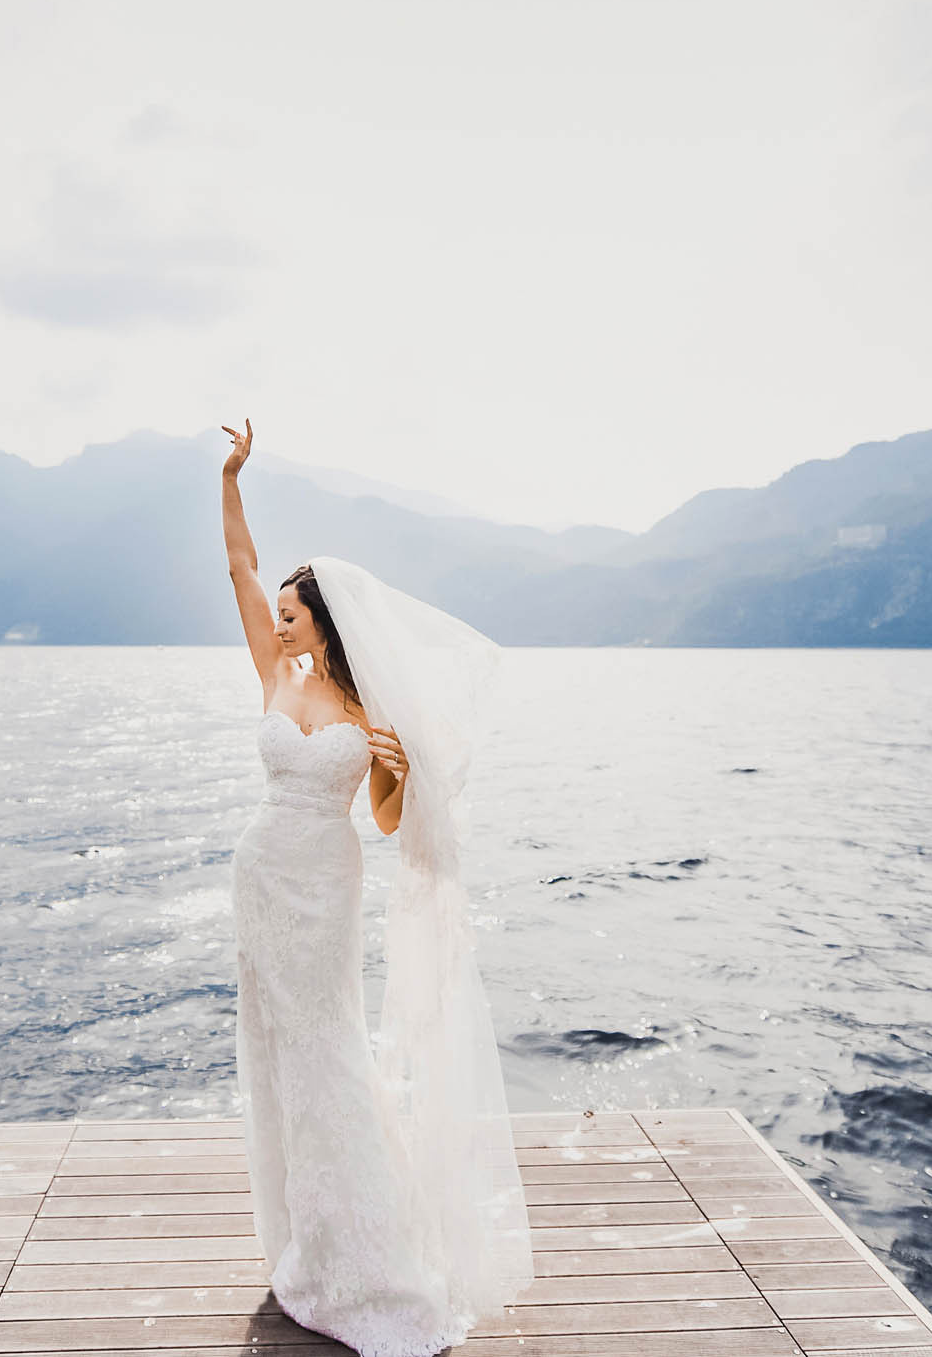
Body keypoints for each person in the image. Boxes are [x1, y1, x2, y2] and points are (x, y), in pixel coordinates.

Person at [219, 418, 532, 1357]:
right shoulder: (275, 674)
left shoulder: (369, 708)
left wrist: (393, 770)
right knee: (280, 1057)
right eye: (275, 613)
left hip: (329, 883)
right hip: (263, 876)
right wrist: (229, 479)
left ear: (325, 619)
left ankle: (372, 1261)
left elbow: (392, 822)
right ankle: (308, 1243)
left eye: (290, 612)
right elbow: (237, 566)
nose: (277, 620)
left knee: (333, 1054)